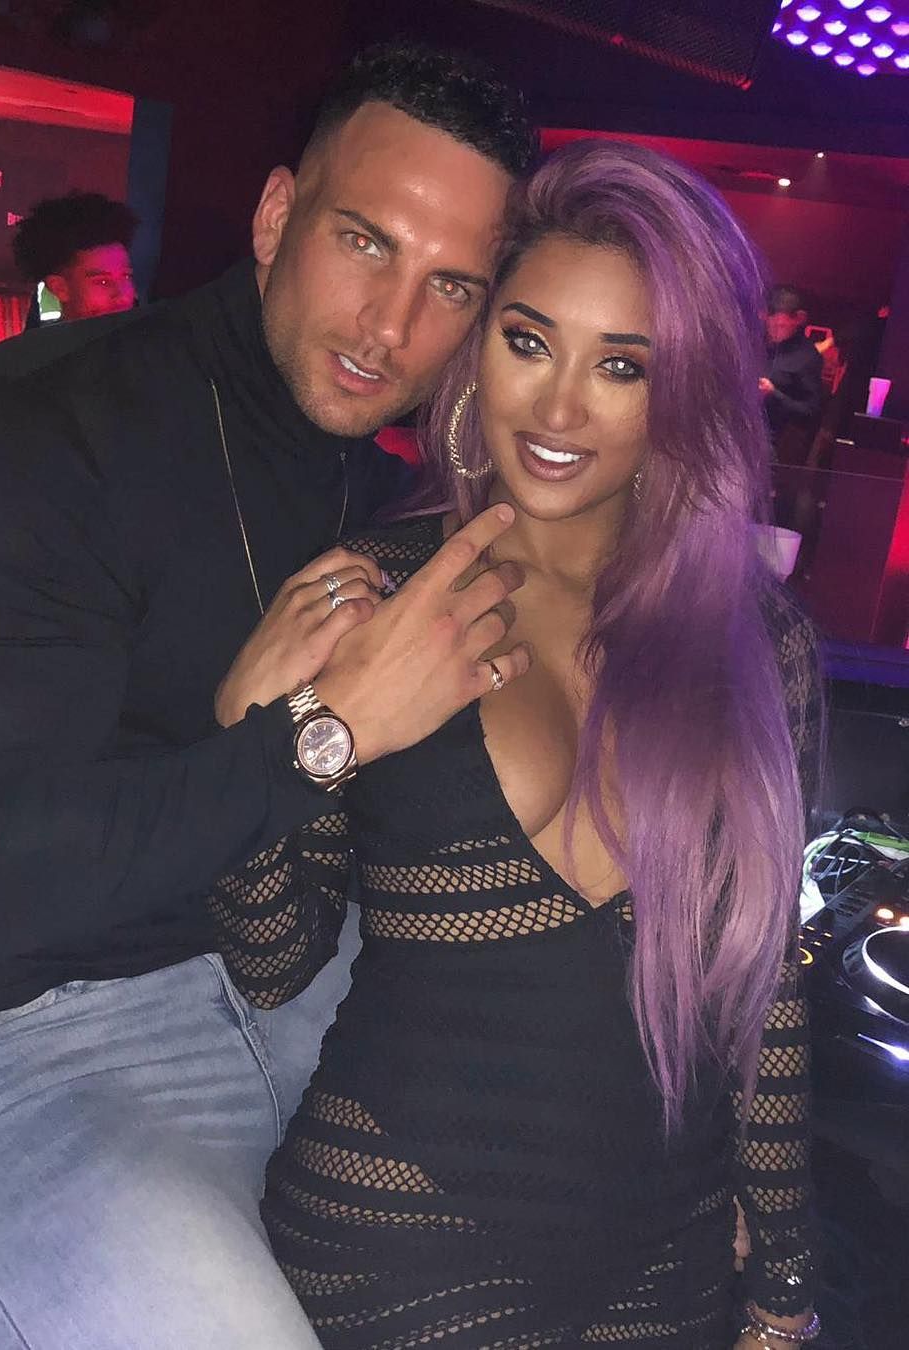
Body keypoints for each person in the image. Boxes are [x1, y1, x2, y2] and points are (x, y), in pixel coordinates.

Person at [0, 44, 536, 1350]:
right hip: (5, 1034)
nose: (392, 326)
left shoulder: (387, 490)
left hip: (305, 985)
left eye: (451, 285)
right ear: (276, 216)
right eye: (365, 243)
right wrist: (319, 735)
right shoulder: (22, 435)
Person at [208, 141, 822, 1350]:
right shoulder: (379, 597)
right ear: (479, 345)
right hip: (397, 1246)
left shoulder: (759, 648)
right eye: (529, 341)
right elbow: (272, 958)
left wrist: (786, 1285)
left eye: (622, 367)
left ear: (686, 392)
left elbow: (761, 995)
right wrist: (259, 727)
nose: (556, 408)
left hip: (669, 1265)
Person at [13, 191, 139, 323]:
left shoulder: (147, 334)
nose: (122, 295)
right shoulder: (43, 338)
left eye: (126, 276)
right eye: (103, 282)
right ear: (59, 288)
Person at [761, 283, 824, 464]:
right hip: (742, 426)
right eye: (771, 325)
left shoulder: (807, 357)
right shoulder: (757, 343)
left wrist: (773, 394)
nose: (774, 331)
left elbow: (811, 411)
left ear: (799, 319)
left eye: (781, 326)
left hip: (775, 440)